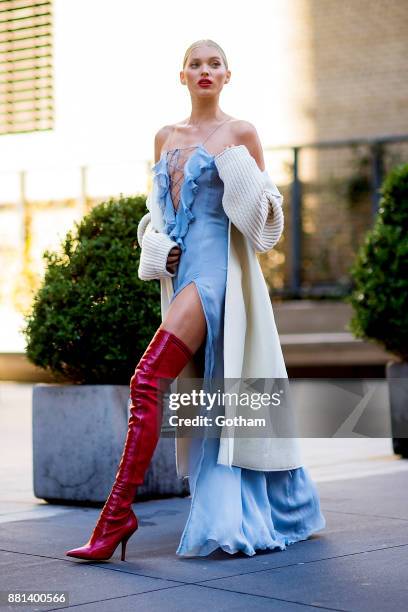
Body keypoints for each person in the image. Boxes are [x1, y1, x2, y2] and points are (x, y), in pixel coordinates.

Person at [66, 39, 326, 561]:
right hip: (180, 276)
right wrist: (156, 246)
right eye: (195, 63)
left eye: (214, 64)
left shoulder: (241, 132)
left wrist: (237, 171)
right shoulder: (165, 137)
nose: (205, 70)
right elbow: (155, 216)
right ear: (181, 75)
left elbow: (264, 226)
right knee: (212, 406)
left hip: (216, 280)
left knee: (146, 380)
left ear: (228, 75)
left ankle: (116, 517)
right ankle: (250, 504)